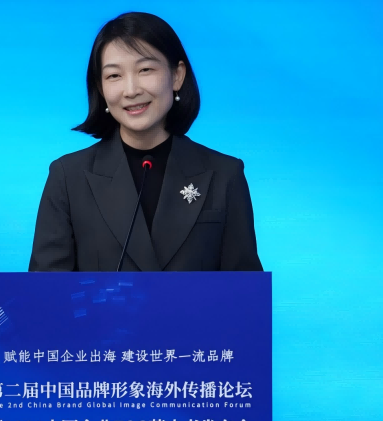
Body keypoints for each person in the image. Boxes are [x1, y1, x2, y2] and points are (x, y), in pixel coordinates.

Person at [29, 12, 262, 272]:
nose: (131, 90)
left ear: (177, 75)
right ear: (101, 88)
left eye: (145, 70)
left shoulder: (225, 175)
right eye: (114, 76)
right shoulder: (68, 177)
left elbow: (244, 291)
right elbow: (46, 291)